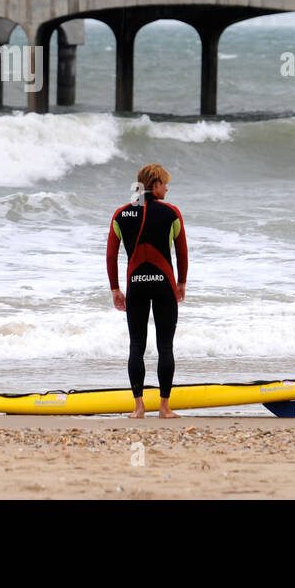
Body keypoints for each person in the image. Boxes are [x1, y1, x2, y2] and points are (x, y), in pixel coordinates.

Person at [107, 163, 188, 419]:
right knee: (165, 345)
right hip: (164, 284)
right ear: (154, 184)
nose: (167, 188)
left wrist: (115, 288)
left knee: (136, 345)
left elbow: (110, 255)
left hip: (136, 284)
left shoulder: (122, 214)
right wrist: (181, 283)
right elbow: (182, 252)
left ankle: (138, 407)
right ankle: (165, 407)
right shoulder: (171, 213)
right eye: (165, 183)